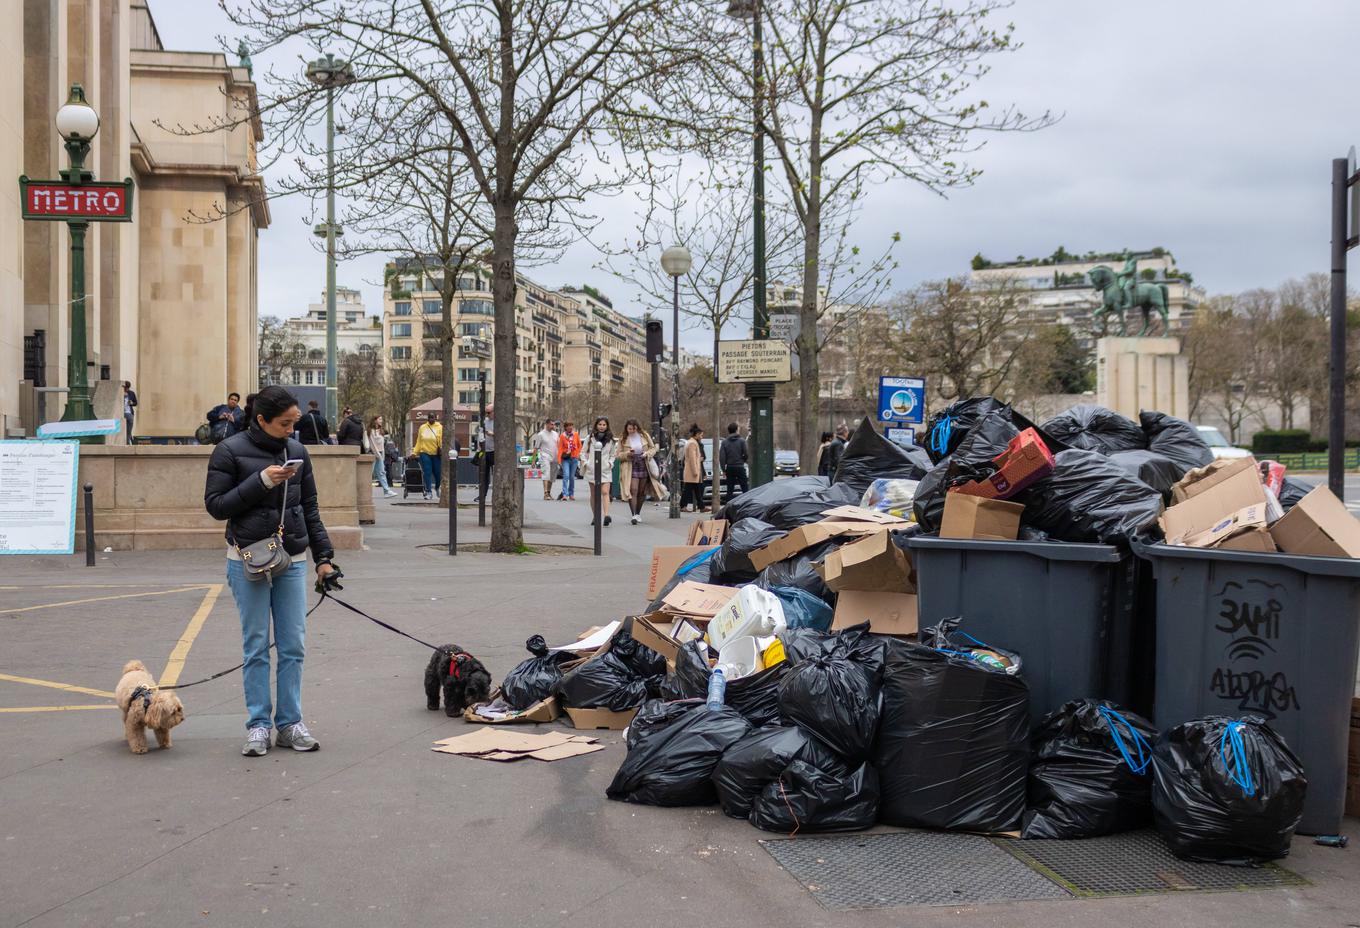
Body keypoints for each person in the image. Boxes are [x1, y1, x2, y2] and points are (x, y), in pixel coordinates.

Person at [203, 385, 337, 757]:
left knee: (293, 645)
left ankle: (290, 723)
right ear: (261, 420)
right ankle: (259, 725)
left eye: (295, 422)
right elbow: (216, 506)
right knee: (257, 645)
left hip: (291, 559)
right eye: (284, 423)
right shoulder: (228, 450)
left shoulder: (297, 451)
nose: (292, 430)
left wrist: (323, 557)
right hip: (247, 560)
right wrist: (262, 481)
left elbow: (310, 506)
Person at [618, 419, 666, 524]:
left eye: (634, 428)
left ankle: (638, 513)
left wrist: (647, 453)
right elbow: (618, 455)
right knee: (633, 490)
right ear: (626, 428)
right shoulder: (623, 438)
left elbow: (653, 448)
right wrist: (627, 454)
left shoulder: (644, 435)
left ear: (637, 427)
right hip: (631, 465)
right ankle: (634, 515)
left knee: (641, 491)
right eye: (629, 428)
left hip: (644, 464)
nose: (631, 430)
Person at [579, 416, 617, 527]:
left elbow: (613, 455)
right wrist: (586, 463)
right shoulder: (590, 438)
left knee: (605, 492)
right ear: (596, 425)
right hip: (592, 469)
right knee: (594, 494)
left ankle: (606, 515)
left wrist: (610, 463)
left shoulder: (611, 440)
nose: (601, 427)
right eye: (600, 424)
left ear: (607, 426)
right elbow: (582, 452)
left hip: (605, 470)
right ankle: (596, 516)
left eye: (604, 425)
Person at [413, 412, 443, 500]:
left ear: (435, 418)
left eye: (432, 417)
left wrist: (442, 449)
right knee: (427, 472)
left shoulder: (440, 427)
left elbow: (442, 440)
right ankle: (428, 491)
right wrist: (414, 452)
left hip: (436, 454)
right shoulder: (422, 427)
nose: (431, 419)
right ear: (427, 418)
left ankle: (437, 487)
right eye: (429, 418)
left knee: (438, 474)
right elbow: (419, 441)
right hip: (424, 452)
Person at [367, 415, 398, 498]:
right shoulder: (371, 431)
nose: (381, 421)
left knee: (382, 473)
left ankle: (387, 491)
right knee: (368, 473)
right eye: (380, 419)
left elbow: (382, 446)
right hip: (373, 454)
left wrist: (382, 456)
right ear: (375, 420)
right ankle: (364, 491)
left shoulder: (381, 431)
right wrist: (378, 455)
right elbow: (372, 444)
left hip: (380, 454)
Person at [718, 422, 750, 502]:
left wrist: (723, 470)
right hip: (740, 467)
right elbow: (746, 453)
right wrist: (743, 460)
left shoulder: (724, 442)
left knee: (730, 489)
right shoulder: (742, 441)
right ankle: (746, 504)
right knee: (744, 488)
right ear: (736, 430)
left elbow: (722, 457)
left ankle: (729, 505)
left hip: (730, 467)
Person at [530, 419, 560, 500]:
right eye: (551, 424)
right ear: (546, 424)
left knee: (552, 476)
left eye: (553, 424)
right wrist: (533, 461)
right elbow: (536, 448)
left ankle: (549, 492)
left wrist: (560, 458)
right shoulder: (541, 434)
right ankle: (545, 493)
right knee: (546, 473)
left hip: (555, 457)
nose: (553, 426)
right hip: (545, 456)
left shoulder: (556, 434)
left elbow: (559, 446)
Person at [682, 424, 706, 512]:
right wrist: (695, 471)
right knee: (689, 490)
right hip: (692, 471)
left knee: (696, 490)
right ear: (696, 434)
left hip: (691, 471)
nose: (702, 437)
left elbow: (693, 457)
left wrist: (698, 458)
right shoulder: (692, 443)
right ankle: (683, 505)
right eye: (701, 435)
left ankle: (701, 506)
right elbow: (692, 458)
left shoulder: (692, 442)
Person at [557, 421, 581, 501]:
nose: (570, 427)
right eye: (569, 426)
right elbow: (560, 448)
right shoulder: (562, 436)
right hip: (566, 459)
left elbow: (579, 445)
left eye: (571, 425)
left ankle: (571, 494)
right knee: (566, 475)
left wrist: (578, 454)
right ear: (565, 427)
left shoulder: (576, 434)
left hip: (574, 458)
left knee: (571, 477)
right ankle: (564, 494)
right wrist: (559, 459)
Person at [476, 416, 496, 503]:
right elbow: (479, 434)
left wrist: (493, 434)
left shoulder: (499, 422)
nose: (487, 415)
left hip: (495, 451)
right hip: (485, 451)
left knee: (496, 475)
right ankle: (482, 495)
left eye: (489, 412)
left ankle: (495, 496)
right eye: (486, 413)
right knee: (484, 475)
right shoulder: (484, 421)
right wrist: (479, 447)